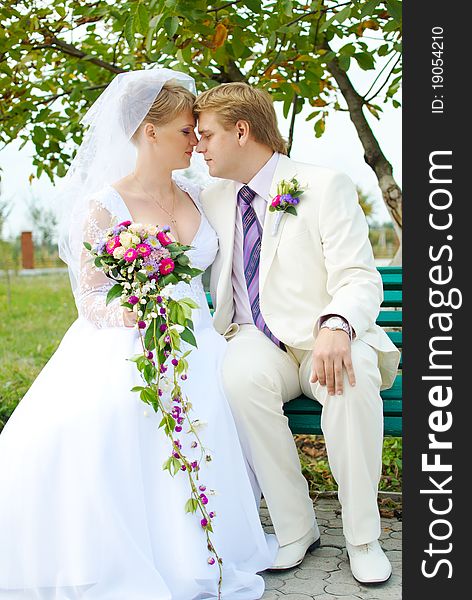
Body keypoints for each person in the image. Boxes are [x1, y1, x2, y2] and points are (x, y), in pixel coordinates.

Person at [0, 69, 277, 600]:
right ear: (149, 132)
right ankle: (133, 548)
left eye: (198, 133)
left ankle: (209, 540)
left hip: (201, 335)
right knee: (118, 412)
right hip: (130, 333)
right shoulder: (106, 205)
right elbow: (90, 296)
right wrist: (126, 315)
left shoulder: (201, 194)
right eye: (184, 132)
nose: (195, 143)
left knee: (221, 397)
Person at [194, 82, 401, 584]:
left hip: (323, 338)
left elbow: (359, 276)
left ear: (242, 131)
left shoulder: (323, 184)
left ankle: (362, 537)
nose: (198, 147)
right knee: (237, 380)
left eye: (206, 136)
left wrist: (337, 325)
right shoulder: (211, 195)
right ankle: (296, 527)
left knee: (348, 379)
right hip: (256, 339)